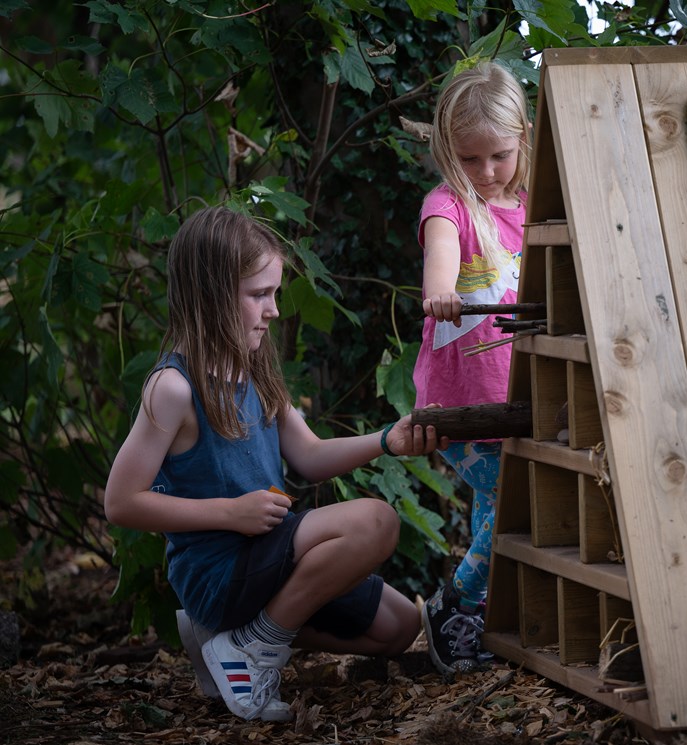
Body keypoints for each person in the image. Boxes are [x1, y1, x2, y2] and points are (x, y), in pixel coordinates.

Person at [103, 205, 449, 723]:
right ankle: (250, 649)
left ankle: (226, 642)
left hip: (266, 562)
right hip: (219, 570)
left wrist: (386, 440)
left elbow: (310, 456)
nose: (273, 310)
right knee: (376, 521)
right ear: (213, 295)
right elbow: (121, 502)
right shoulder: (173, 387)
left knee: (398, 627)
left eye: (274, 294)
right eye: (259, 295)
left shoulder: (255, 368)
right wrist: (229, 513)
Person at [412, 60, 531, 674]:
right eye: (471, 158)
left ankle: (477, 613)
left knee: (501, 505)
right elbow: (440, 257)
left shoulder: (534, 208)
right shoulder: (447, 206)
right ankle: (455, 603)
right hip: (457, 399)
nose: (485, 173)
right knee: (510, 494)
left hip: (513, 392)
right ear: (446, 150)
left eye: (500, 157)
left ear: (523, 142)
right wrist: (442, 289)